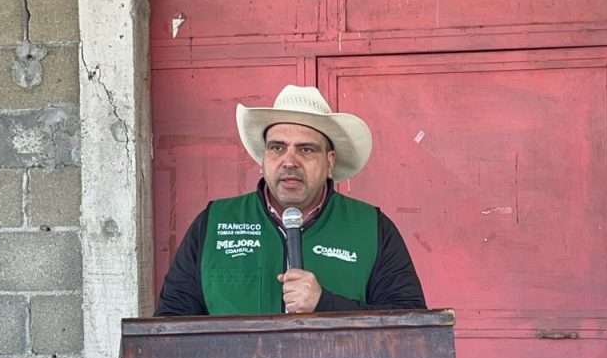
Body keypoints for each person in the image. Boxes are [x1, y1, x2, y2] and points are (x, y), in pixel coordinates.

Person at [156, 85, 427, 316]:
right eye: (277, 147)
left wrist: (325, 304)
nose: (289, 161)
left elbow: (410, 326)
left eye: (306, 150)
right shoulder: (214, 223)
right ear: (263, 159)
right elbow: (170, 323)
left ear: (329, 162)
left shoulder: (370, 228)